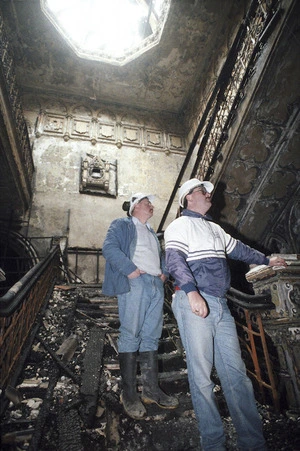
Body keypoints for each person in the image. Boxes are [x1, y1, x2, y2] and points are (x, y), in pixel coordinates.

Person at [164, 178, 287, 451]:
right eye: (202, 191)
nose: (209, 194)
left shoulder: (215, 229)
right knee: (202, 377)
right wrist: (191, 292)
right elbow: (174, 260)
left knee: (236, 375)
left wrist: (267, 259)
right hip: (194, 300)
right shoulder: (179, 226)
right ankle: (213, 443)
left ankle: (252, 443)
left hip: (219, 304)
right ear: (188, 199)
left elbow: (241, 250)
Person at [102, 192, 178, 420]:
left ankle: (151, 390)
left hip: (155, 283)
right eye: (147, 203)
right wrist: (130, 270)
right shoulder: (122, 224)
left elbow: (159, 255)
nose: (152, 206)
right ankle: (129, 394)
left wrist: (163, 273)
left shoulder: (152, 232)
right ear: (135, 207)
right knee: (130, 334)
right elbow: (109, 248)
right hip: (136, 282)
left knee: (151, 336)